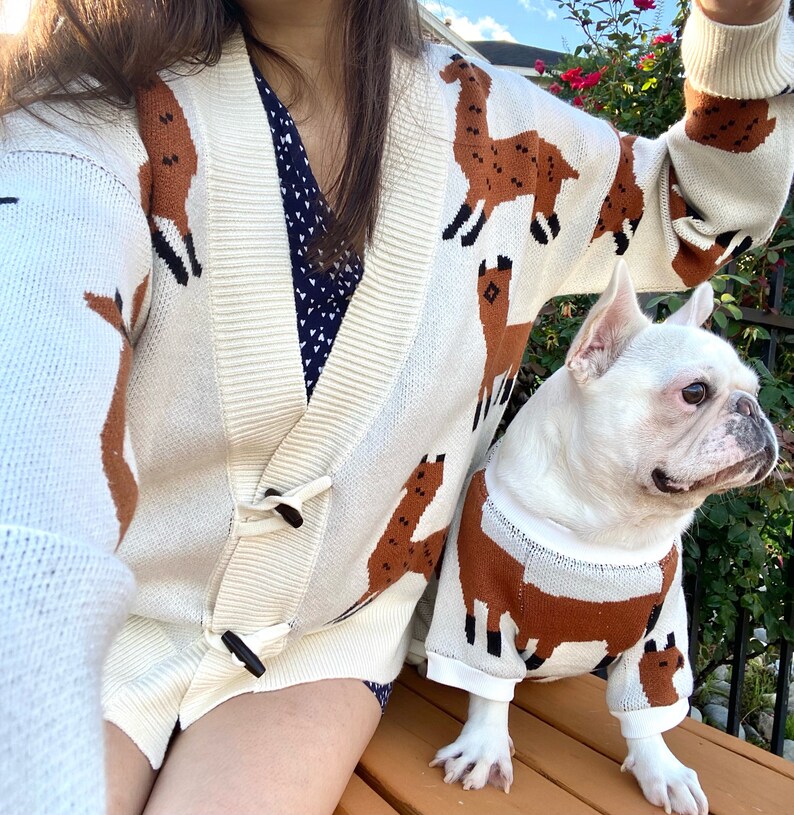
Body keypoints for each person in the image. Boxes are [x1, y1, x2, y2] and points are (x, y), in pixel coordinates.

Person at [0, 0, 791, 813]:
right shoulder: (79, 124)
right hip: (98, 627)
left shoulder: (501, 125)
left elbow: (698, 211)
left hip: (326, 643)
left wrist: (741, 21)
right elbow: (27, 480)